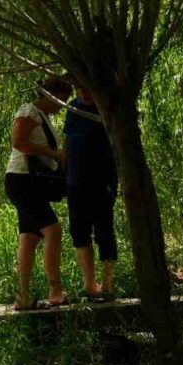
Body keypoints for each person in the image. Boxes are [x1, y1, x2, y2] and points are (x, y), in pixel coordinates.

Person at [5, 77, 74, 310]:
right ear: (50, 94)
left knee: (30, 237)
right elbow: (19, 143)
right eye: (62, 100)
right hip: (23, 180)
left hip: (29, 182)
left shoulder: (44, 118)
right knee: (53, 231)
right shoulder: (29, 111)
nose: (62, 106)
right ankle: (55, 291)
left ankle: (23, 297)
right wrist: (54, 154)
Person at [64, 87, 118, 300]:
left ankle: (107, 286)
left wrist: (112, 184)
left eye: (89, 88)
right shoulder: (73, 109)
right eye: (80, 89)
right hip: (76, 184)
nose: (85, 92)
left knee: (105, 232)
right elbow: (68, 142)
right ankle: (90, 287)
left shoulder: (108, 108)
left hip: (102, 183)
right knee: (79, 233)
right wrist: (64, 172)